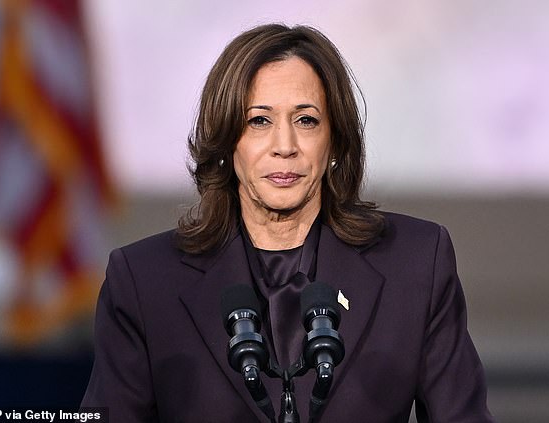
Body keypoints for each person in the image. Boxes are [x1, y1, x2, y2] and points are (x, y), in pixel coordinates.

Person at [81, 24, 495, 422]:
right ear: (227, 141)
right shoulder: (145, 280)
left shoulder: (416, 262)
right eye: (259, 121)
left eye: (306, 120)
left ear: (335, 141)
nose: (285, 147)